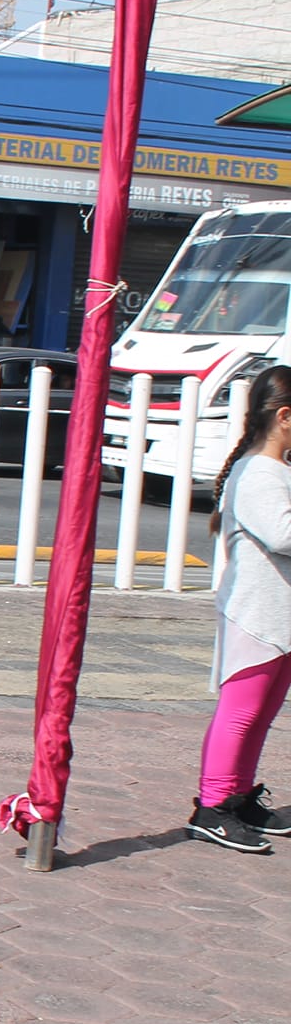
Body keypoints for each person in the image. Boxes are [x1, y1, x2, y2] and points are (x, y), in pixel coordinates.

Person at [189, 365, 291, 853]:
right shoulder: (258, 473)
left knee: (263, 711)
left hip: (278, 617)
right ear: (286, 417)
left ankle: (240, 794)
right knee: (241, 712)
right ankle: (212, 806)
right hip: (255, 615)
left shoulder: (274, 469)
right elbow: (283, 534)